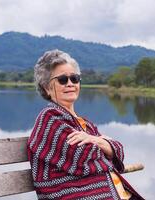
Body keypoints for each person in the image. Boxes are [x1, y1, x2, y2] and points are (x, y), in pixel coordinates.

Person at [27, 49, 144, 200]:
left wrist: (96, 140)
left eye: (74, 78)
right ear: (46, 88)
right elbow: (81, 157)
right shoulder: (49, 118)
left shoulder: (85, 124)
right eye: (62, 80)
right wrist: (106, 145)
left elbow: (119, 151)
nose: (70, 84)